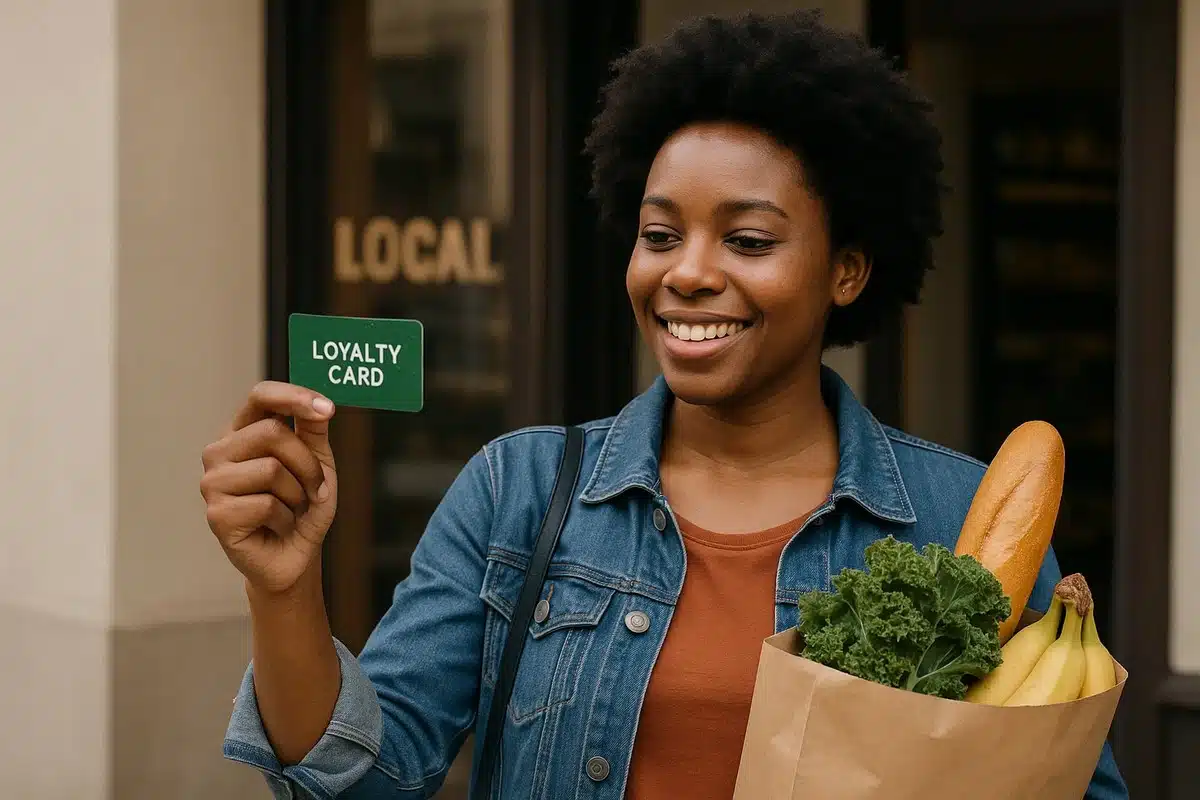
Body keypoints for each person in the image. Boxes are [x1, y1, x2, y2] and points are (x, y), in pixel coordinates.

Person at [204, 10, 1127, 800]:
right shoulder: (520, 492)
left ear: (847, 269)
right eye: (659, 234)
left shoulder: (958, 523)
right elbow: (368, 778)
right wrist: (283, 593)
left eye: (749, 239)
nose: (686, 272)